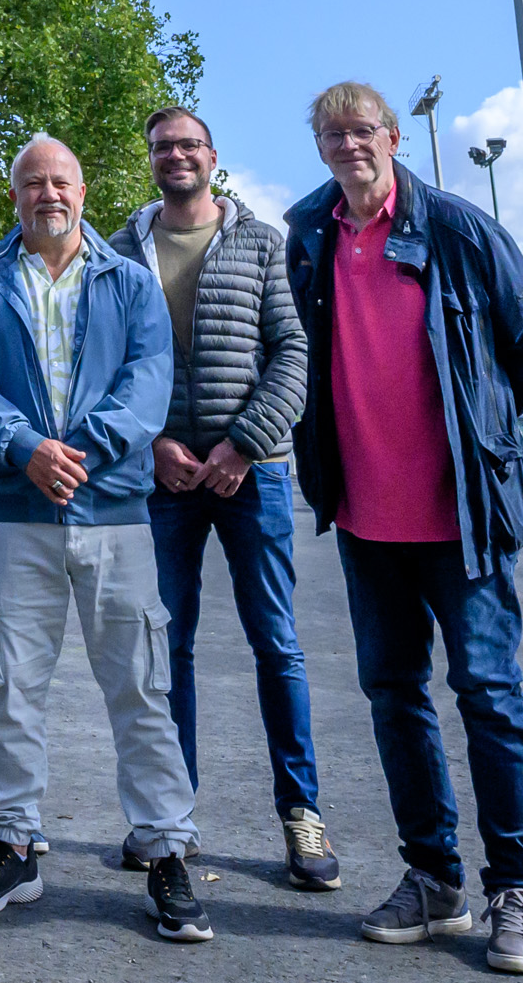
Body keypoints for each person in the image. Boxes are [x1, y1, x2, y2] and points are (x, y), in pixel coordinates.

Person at [286, 81, 523, 976]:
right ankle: (435, 879)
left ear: (393, 137)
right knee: (394, 697)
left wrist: (479, 433)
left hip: (461, 519)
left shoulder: (459, 227)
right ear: (319, 144)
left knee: (487, 694)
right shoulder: (309, 232)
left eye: (362, 130)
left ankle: (517, 891)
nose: (348, 145)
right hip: (367, 519)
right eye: (333, 133)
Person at [0, 135, 209, 944]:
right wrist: (27, 449)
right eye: (32, 183)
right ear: (13, 194)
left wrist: (78, 453)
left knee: (140, 687)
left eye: (60, 180)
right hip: (17, 514)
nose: (47, 193)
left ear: (83, 190)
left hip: (114, 512)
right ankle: (13, 844)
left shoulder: (129, 281)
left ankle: (165, 850)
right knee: (9, 685)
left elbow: (148, 380)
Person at [119, 102, 333, 891]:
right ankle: (170, 821)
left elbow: (294, 350)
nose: (176, 155)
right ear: (151, 159)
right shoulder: (122, 249)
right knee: (164, 650)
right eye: (162, 146)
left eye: (188, 144)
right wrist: (151, 443)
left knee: (274, 642)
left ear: (212, 155)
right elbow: (107, 363)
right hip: (165, 478)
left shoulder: (258, 243)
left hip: (255, 473)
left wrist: (242, 442)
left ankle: (302, 816)